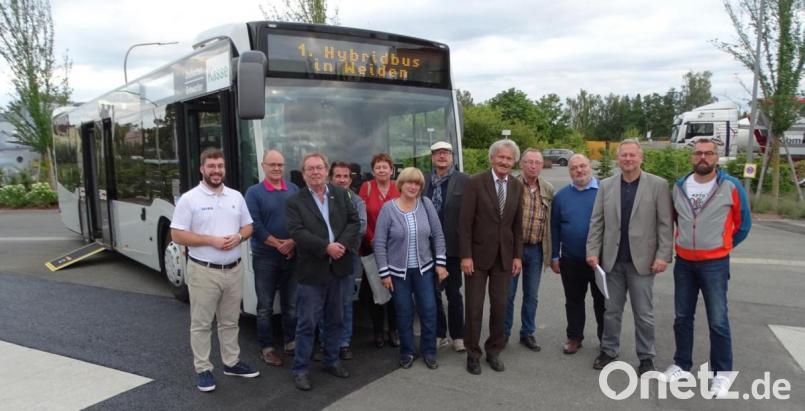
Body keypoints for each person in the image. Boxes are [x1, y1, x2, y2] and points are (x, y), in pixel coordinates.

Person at [662, 138, 751, 399]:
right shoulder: (679, 186)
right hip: (684, 262)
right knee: (682, 317)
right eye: (698, 153)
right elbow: (674, 220)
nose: (703, 157)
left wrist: (723, 245)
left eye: (708, 153)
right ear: (692, 157)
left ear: (716, 157)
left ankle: (722, 373)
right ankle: (681, 364)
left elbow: (743, 224)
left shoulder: (730, 186)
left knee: (718, 320)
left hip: (715, 264)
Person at [170, 147, 259, 392]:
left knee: (230, 321)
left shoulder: (235, 197)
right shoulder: (190, 199)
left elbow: (249, 226)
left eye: (220, 166)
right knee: (201, 323)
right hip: (203, 271)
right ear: (202, 169)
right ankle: (203, 369)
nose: (216, 170)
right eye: (211, 166)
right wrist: (211, 241)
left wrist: (239, 237)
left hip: (234, 269)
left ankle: (231, 363)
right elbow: (177, 234)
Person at [585, 139, 673, 375]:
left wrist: (663, 255)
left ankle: (646, 357)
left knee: (643, 314)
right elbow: (597, 221)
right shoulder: (606, 185)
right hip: (612, 261)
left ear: (641, 158)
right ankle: (608, 350)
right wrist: (592, 251)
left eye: (632, 155)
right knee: (611, 311)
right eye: (624, 155)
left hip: (643, 262)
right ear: (618, 158)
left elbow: (665, 224)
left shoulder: (658, 185)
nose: (628, 159)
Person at [286, 152, 360, 391]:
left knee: (336, 319)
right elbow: (297, 232)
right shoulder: (295, 201)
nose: (315, 172)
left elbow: (354, 221)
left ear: (326, 170)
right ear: (303, 174)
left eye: (319, 167)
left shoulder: (340, 193)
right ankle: (300, 369)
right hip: (312, 271)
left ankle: (331, 360)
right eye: (310, 168)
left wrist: (341, 245)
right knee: (307, 323)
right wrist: (326, 247)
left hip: (339, 267)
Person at [459, 139, 524, 375]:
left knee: (500, 307)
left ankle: (494, 351)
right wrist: (466, 255)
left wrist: (517, 256)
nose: (505, 162)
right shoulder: (476, 182)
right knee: (474, 308)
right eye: (501, 157)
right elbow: (464, 224)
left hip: (504, 258)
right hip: (476, 257)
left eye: (509, 158)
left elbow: (517, 226)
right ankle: (473, 353)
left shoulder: (517, 186)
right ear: (492, 158)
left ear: (513, 162)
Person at [374, 167, 448, 369]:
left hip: (424, 270)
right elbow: (379, 243)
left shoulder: (426, 204)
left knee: (429, 311)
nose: (413, 187)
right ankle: (407, 351)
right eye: (409, 182)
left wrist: (440, 263)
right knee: (404, 312)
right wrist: (384, 273)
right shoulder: (388, 209)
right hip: (398, 273)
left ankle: (429, 351)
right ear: (401, 184)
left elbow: (438, 235)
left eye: (417, 183)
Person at [245, 149, 299, 367]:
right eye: (272, 164)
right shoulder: (253, 192)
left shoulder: (293, 189)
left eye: (280, 165)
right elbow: (255, 225)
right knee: (265, 306)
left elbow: (301, 220)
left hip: (292, 255)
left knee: (291, 304)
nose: (276, 168)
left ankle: (291, 342)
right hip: (265, 257)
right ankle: (267, 348)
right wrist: (279, 245)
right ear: (263, 166)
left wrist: (292, 242)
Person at [550, 154, 604, 356]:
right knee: (573, 301)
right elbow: (555, 227)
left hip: (600, 260)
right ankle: (574, 337)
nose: (579, 170)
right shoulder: (561, 196)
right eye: (574, 168)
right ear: (569, 171)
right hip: (571, 259)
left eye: (582, 166)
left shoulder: (604, 191)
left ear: (590, 166)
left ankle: (606, 339)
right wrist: (554, 256)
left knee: (603, 302)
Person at [504, 148, 554, 351]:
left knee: (531, 295)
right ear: (521, 164)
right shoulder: (511, 185)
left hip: (536, 249)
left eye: (537, 162)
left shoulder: (548, 188)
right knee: (508, 294)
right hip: (513, 250)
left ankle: (527, 333)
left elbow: (551, 221)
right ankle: (503, 333)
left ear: (542, 166)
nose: (533, 166)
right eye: (529, 162)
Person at [423, 141, 469, 353]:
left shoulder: (464, 180)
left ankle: (458, 335)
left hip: (452, 247)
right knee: (432, 294)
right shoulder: (423, 180)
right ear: (432, 157)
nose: (442, 156)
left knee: (453, 293)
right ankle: (439, 334)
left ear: (452, 156)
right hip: (427, 247)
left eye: (446, 153)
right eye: (437, 153)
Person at [359, 153, 400, 348]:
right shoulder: (366, 188)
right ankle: (378, 332)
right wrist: (372, 239)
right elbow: (361, 217)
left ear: (392, 170)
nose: (382, 170)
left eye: (385, 167)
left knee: (395, 291)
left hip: (396, 248)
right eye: (378, 167)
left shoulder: (398, 187)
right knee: (375, 291)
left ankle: (393, 330)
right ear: (373, 171)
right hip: (371, 246)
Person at [328, 161, 368, 360]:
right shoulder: (321, 198)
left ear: (350, 180)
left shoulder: (357, 201)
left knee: (345, 301)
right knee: (324, 301)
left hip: (348, 256)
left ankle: (344, 343)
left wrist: (338, 244)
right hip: (323, 256)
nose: (342, 180)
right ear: (331, 178)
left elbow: (361, 227)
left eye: (346, 176)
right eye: (338, 176)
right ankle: (326, 342)